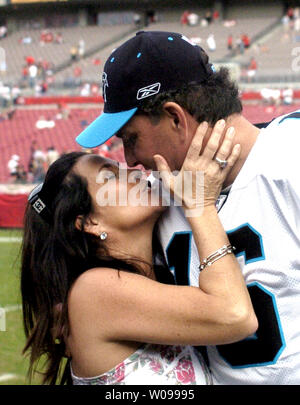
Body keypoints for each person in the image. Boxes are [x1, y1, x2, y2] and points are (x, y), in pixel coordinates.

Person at [75, 30, 300, 384]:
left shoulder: (290, 156)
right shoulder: (151, 199)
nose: (129, 159)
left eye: (130, 139)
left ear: (176, 118)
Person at [21, 126, 257, 385]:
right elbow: (235, 315)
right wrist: (199, 205)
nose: (132, 172)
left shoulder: (152, 274)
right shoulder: (93, 290)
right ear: (89, 222)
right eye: (109, 177)